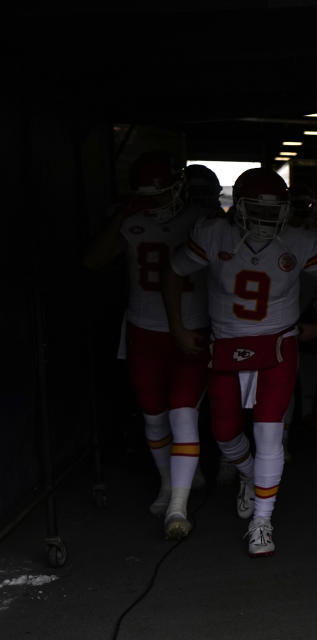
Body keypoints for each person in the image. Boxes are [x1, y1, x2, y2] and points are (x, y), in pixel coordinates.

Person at [163, 167, 317, 557]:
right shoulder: (214, 233)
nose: (265, 220)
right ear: (239, 207)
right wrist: (177, 326)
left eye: (273, 210)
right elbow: (175, 272)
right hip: (227, 342)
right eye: (257, 211)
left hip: (278, 344)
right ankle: (250, 474)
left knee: (269, 431)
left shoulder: (299, 239)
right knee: (225, 433)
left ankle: (263, 521)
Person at [82, 149, 210, 540]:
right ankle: (168, 483)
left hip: (191, 328)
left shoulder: (202, 220)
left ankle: (178, 506)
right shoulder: (132, 221)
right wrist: (123, 215)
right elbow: (92, 261)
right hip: (143, 328)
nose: (154, 202)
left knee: (183, 414)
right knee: (154, 415)